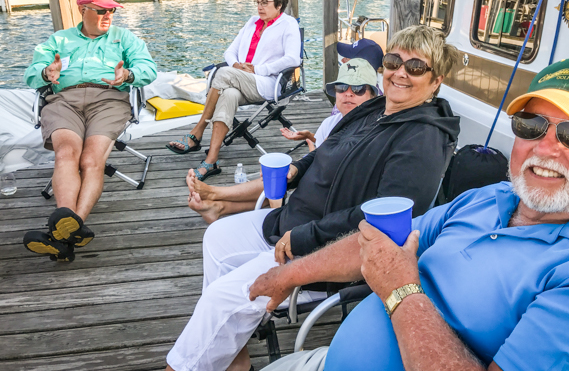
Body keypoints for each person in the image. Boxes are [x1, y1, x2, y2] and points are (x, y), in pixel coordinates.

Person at [250, 55, 569, 371]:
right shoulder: (489, 199)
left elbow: (392, 271)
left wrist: (400, 289)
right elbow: (378, 245)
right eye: (531, 125)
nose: (545, 148)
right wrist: (287, 275)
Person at [165, 25, 461, 371]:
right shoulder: (377, 107)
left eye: (416, 67)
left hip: (320, 250)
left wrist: (307, 236)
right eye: (395, 60)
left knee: (221, 299)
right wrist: (297, 170)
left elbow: (383, 221)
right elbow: (328, 149)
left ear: (436, 80)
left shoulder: (423, 138)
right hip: (291, 221)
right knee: (216, 237)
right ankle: (235, 356)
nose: (400, 72)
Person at [22, 0, 157, 262]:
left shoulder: (125, 39)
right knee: (67, 152)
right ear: (82, 10)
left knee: (92, 160)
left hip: (108, 99)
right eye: (101, 11)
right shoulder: (58, 40)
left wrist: (128, 76)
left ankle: (65, 232)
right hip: (64, 100)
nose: (108, 16)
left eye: (111, 11)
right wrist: (46, 72)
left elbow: (148, 68)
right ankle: (70, 230)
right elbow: (31, 74)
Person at [188, 58, 379, 224]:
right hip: (316, 182)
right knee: (277, 178)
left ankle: (215, 194)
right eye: (342, 87)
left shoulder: (373, 131)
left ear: (373, 95)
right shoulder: (331, 122)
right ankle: (218, 207)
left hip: (331, 196)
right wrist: (309, 139)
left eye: (359, 88)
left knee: (279, 181)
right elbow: (317, 155)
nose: (348, 93)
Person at [166, 0, 301, 181]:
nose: (260, 7)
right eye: (257, 2)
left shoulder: (288, 24)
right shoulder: (252, 22)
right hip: (238, 78)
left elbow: (293, 59)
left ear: (279, 4)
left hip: (267, 83)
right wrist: (236, 65)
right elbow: (229, 51)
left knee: (222, 74)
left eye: (265, 2)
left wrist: (257, 69)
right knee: (228, 94)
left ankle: (198, 131)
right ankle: (210, 161)